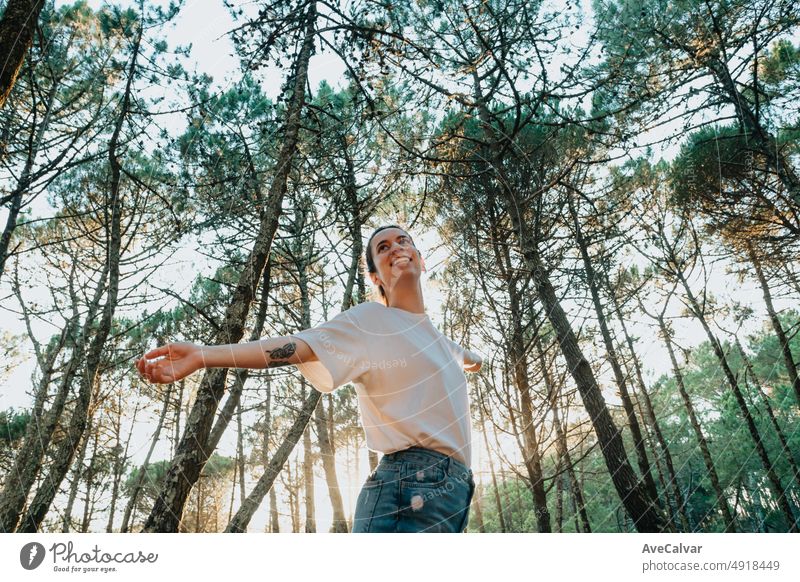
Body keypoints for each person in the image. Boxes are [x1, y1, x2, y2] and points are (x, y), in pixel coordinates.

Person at [136, 225, 483, 532]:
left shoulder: (441, 341)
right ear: (375, 277)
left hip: (454, 491)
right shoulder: (369, 320)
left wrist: (472, 361)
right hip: (409, 484)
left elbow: (471, 360)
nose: (395, 247)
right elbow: (297, 347)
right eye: (383, 248)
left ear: (421, 261)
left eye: (403, 241)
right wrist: (203, 355)